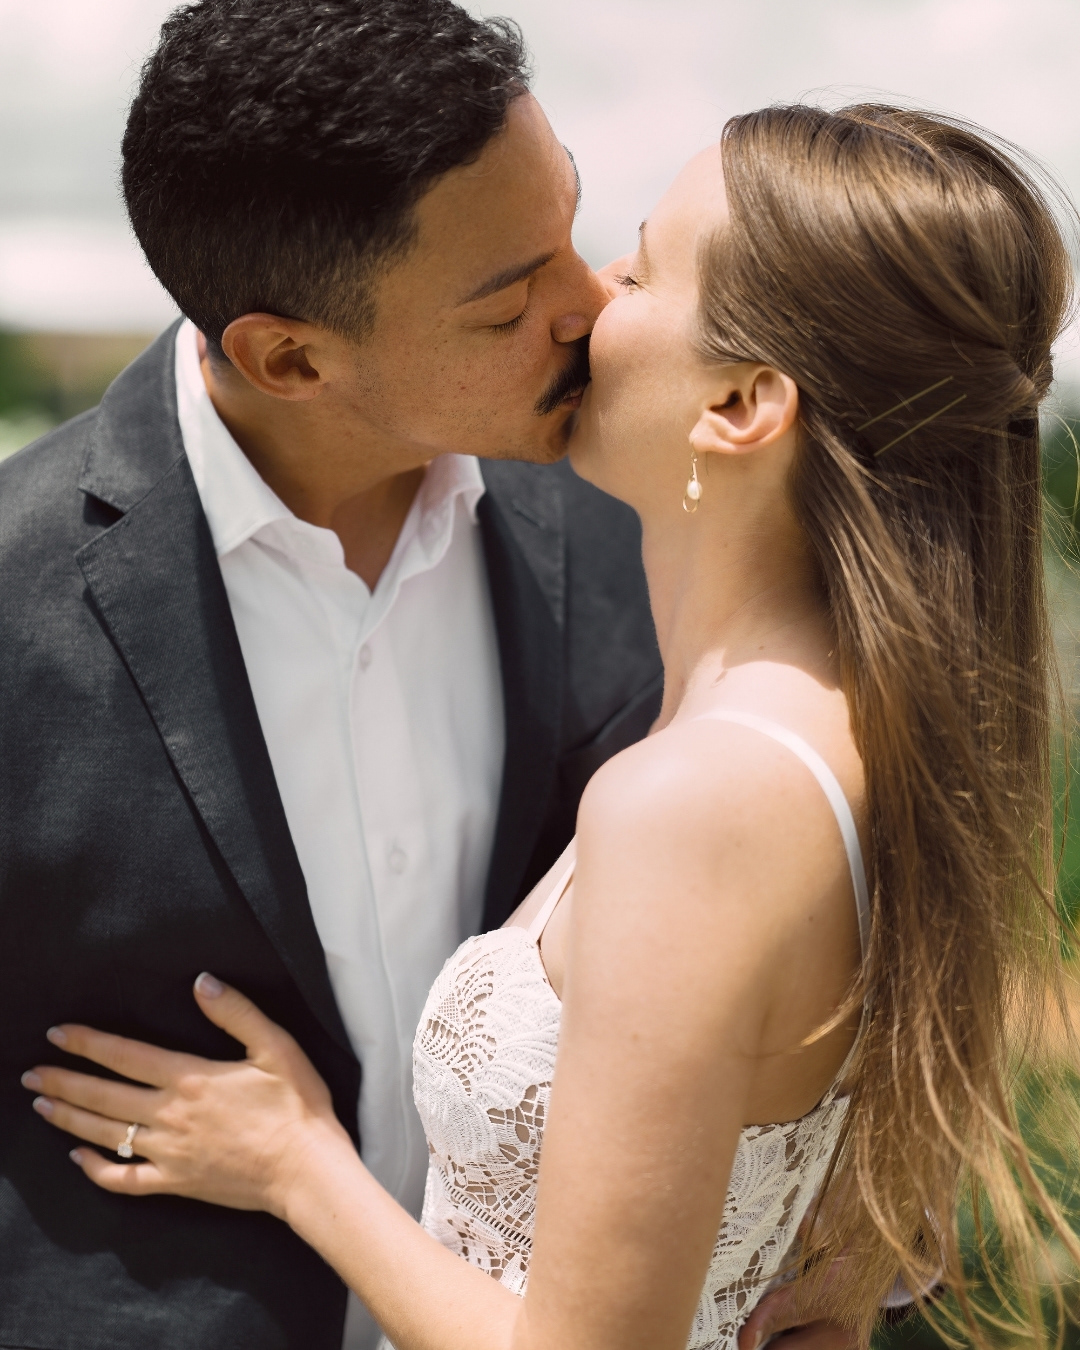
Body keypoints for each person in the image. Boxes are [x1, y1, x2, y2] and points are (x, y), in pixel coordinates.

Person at [23, 101, 1080, 1350]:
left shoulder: (692, 798)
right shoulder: (870, 720)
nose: (586, 299)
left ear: (742, 403)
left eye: (639, 267)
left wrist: (299, 1163)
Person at [0, 3, 669, 1348]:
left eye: (569, 223)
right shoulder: (16, 599)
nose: (591, 307)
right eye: (509, 302)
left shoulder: (650, 523)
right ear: (288, 357)